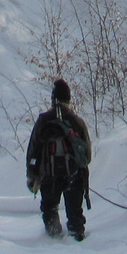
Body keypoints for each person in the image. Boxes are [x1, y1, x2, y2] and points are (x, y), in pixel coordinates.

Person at [26, 78, 92, 240]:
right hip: (73, 174)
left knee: (49, 207)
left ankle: (53, 239)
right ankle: (77, 239)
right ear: (68, 99)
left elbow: (32, 150)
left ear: (53, 98)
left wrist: (32, 175)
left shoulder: (43, 121)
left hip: (49, 175)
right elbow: (87, 155)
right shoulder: (77, 122)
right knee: (75, 211)